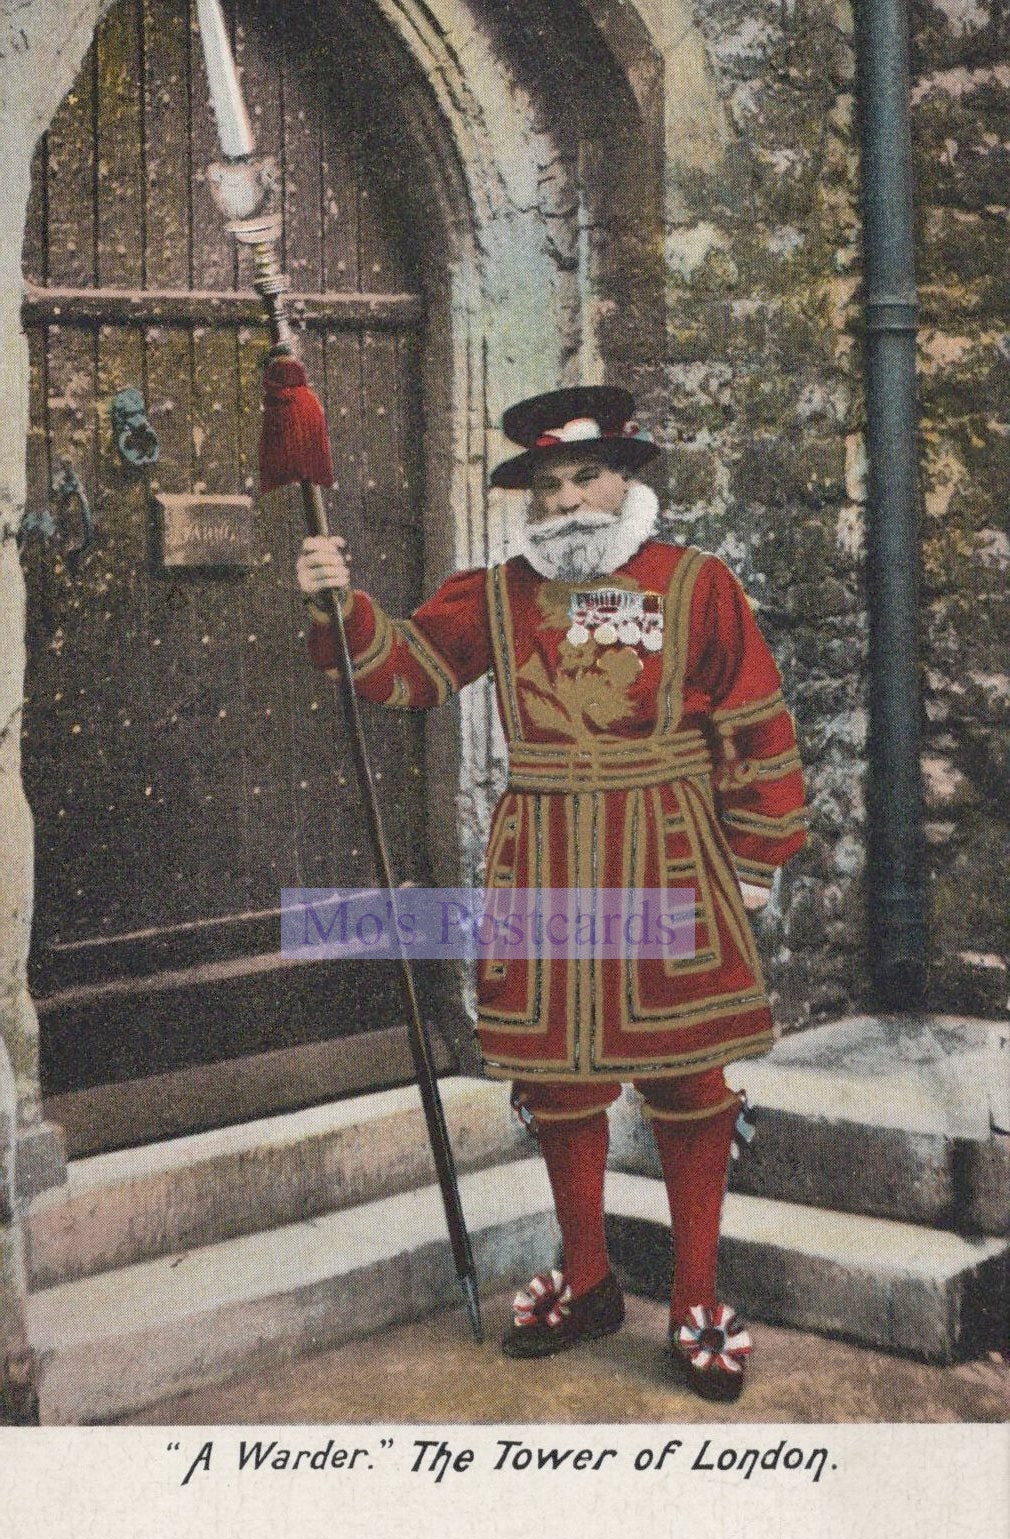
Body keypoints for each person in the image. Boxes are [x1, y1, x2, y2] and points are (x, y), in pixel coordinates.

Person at [297, 386, 806, 1401]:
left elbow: (752, 718)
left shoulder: (696, 584)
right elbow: (405, 672)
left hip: (667, 847)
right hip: (545, 854)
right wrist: (337, 603)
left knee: (686, 1078)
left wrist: (754, 857)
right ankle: (588, 1283)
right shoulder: (493, 593)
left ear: (627, 478)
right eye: (546, 484)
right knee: (560, 1083)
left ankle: (696, 1295)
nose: (566, 499)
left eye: (584, 477)